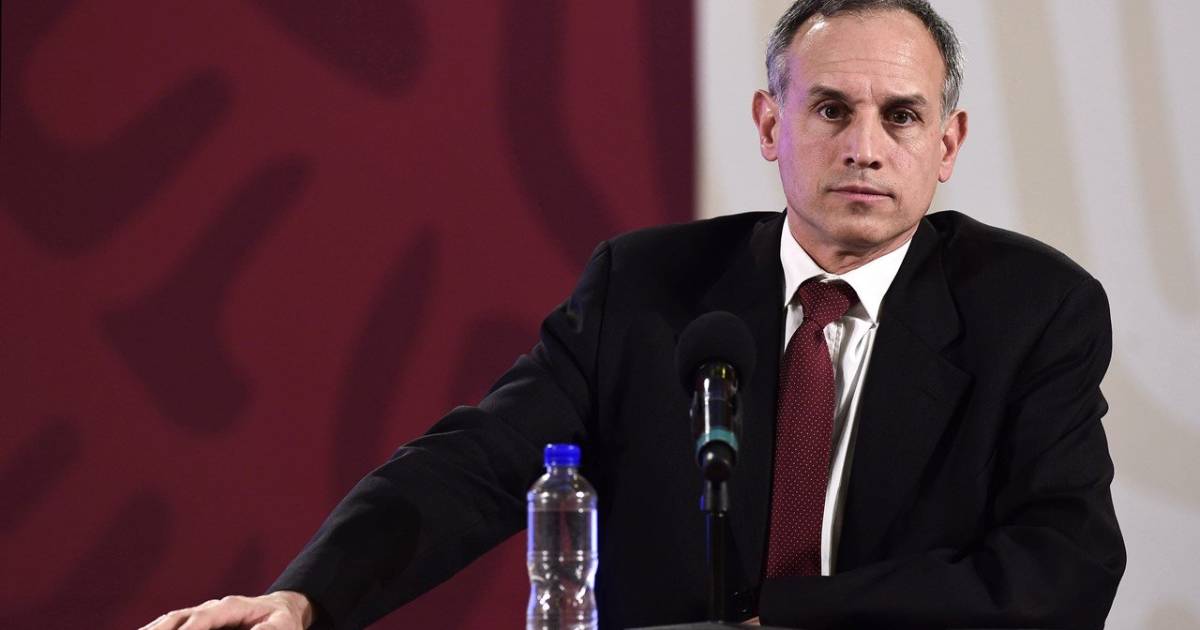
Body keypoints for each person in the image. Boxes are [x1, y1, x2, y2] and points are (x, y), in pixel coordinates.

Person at [143, 1, 1125, 628]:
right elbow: (477, 461)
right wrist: (307, 598)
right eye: (831, 110)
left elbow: (1064, 564)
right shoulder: (647, 288)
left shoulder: (1032, 311)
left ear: (948, 143)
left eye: (900, 116)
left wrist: (789, 621)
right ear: (771, 124)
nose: (865, 147)